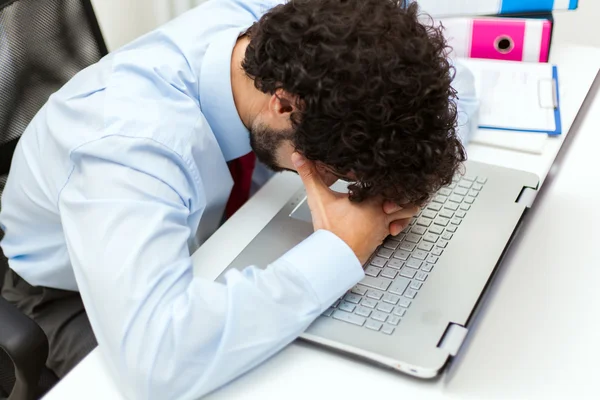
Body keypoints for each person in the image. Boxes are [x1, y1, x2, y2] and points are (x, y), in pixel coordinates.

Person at [0, 0, 478, 398]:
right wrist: (339, 251)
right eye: (341, 175)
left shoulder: (290, 28)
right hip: (70, 297)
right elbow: (158, 360)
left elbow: (454, 82)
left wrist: (396, 191)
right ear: (284, 104)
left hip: (224, 230)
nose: (351, 188)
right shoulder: (129, 145)